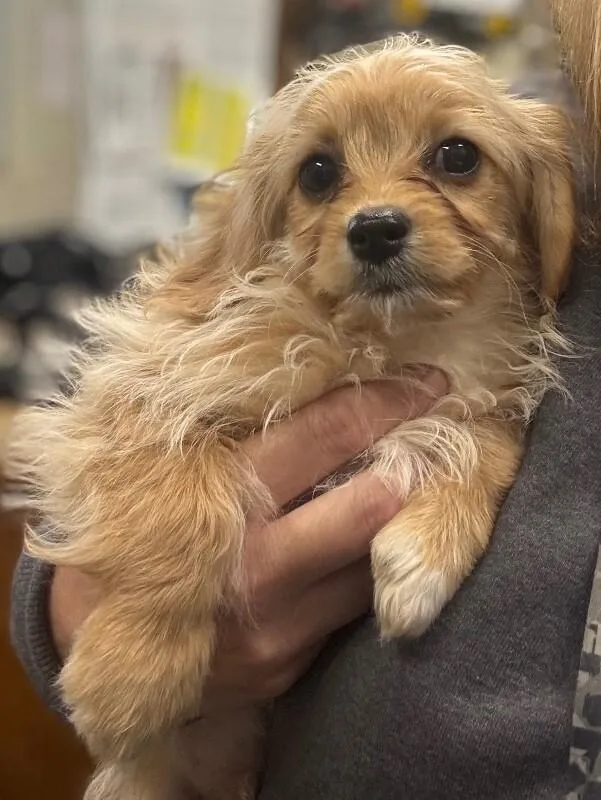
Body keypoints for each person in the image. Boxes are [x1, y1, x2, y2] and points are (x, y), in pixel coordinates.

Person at [11, 1, 601, 797]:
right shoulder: (262, 342)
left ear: (547, 213)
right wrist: (133, 603)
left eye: (454, 159)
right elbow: (107, 431)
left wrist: (469, 473)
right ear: (260, 228)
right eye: (321, 176)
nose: (375, 211)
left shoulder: (519, 348)